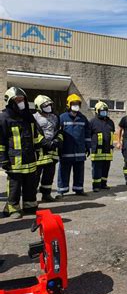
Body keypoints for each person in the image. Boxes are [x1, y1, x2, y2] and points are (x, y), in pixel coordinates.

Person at [0, 87, 57, 218]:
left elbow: (36, 136)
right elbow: (1, 141)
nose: (21, 102)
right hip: (14, 160)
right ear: (10, 102)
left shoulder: (28, 117)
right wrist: (3, 159)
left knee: (30, 185)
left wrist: (40, 148)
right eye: (17, 100)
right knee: (14, 186)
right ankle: (12, 208)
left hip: (31, 159)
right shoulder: (4, 118)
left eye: (23, 100)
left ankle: (30, 205)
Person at [57, 94, 91, 198]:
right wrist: (58, 147)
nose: (76, 105)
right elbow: (58, 133)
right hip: (66, 151)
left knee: (79, 172)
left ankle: (78, 189)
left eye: (77, 104)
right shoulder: (62, 118)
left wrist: (88, 146)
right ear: (69, 104)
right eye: (74, 104)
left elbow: (87, 134)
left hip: (79, 150)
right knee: (63, 172)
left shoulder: (83, 118)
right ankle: (62, 191)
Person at [33, 95, 63, 202]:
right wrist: (44, 142)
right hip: (39, 152)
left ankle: (46, 195)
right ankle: (31, 198)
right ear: (38, 106)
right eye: (46, 105)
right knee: (35, 176)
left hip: (52, 152)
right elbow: (34, 133)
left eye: (50, 105)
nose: (49, 107)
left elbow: (59, 131)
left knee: (49, 175)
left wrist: (58, 141)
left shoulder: (54, 117)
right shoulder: (34, 118)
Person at [89, 101, 115, 191]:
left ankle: (103, 184)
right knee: (97, 168)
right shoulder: (92, 122)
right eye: (102, 111)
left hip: (108, 150)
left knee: (106, 168)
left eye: (105, 111)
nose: (104, 112)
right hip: (97, 150)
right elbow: (88, 136)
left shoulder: (110, 122)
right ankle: (96, 186)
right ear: (97, 111)